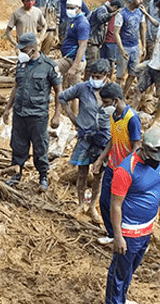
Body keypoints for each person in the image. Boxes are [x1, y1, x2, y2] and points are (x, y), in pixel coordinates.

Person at [102, 127, 160, 304]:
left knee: (131, 267)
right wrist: (118, 236)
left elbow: (158, 184)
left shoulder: (158, 161)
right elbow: (115, 204)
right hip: (129, 230)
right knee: (120, 269)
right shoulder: (125, 169)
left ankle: (121, 299)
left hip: (146, 228)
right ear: (144, 149)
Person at [2, 32, 63, 192]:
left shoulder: (49, 66)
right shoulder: (21, 65)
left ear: (32, 49)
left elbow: (58, 91)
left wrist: (57, 114)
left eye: (23, 49)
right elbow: (16, 87)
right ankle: (16, 174)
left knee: (40, 147)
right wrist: (8, 108)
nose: (21, 52)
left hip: (38, 115)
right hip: (20, 113)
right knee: (18, 144)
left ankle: (43, 176)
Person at [58, 59, 111, 217]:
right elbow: (62, 97)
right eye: (93, 76)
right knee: (82, 171)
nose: (95, 79)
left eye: (99, 76)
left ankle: (93, 206)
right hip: (85, 137)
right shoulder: (82, 88)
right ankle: (81, 203)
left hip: (103, 139)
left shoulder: (111, 91)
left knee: (98, 174)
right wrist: (72, 117)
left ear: (106, 76)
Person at [92, 82, 141, 245]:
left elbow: (136, 146)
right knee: (105, 200)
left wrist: (128, 166)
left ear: (116, 100)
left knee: (120, 204)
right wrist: (100, 159)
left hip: (124, 170)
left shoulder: (132, 119)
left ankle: (124, 235)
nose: (104, 106)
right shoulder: (114, 117)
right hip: (113, 165)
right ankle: (112, 233)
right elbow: (113, 140)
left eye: (106, 102)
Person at [57, 0, 90, 102]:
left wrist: (74, 67)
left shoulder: (82, 23)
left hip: (75, 61)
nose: (69, 10)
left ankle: (74, 116)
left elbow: (82, 46)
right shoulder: (74, 19)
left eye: (72, 8)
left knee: (75, 92)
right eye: (68, 8)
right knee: (70, 88)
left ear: (79, 8)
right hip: (69, 58)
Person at [113, 0, 145, 98]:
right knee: (120, 75)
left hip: (135, 47)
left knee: (133, 72)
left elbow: (143, 28)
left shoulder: (140, 12)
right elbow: (116, 32)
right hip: (124, 46)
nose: (141, 1)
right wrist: (122, 50)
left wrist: (143, 46)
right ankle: (116, 96)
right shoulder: (121, 14)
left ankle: (124, 94)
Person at [87, 0, 123, 68]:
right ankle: (89, 78)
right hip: (92, 43)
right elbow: (101, 18)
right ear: (115, 7)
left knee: (95, 64)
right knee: (91, 66)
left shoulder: (104, 9)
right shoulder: (102, 9)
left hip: (95, 43)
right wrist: (113, 14)